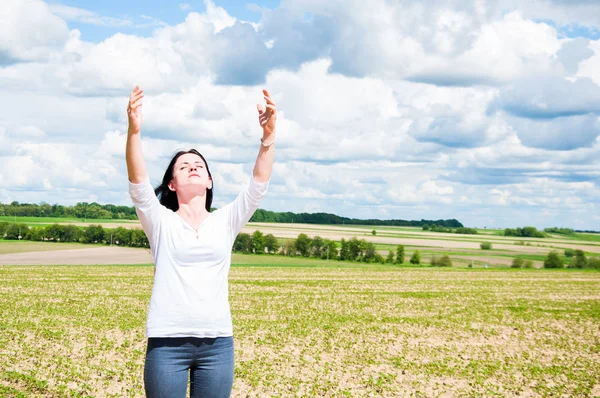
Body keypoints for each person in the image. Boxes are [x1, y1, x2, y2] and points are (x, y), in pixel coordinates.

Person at [125, 85, 277, 397]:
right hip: (167, 344)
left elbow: (258, 185)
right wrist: (134, 131)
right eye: (184, 166)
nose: (193, 167)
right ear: (172, 182)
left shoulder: (225, 221)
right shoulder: (161, 222)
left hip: (218, 345)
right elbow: (138, 183)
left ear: (208, 180)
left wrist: (268, 137)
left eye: (199, 165)